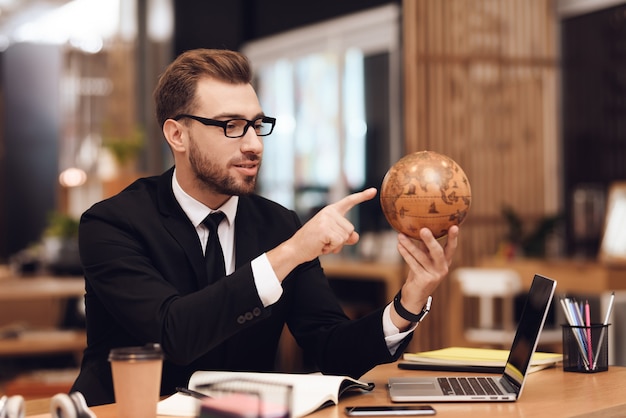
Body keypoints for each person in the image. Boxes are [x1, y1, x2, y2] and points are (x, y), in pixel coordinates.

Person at [70, 48, 459, 406]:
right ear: (177, 134)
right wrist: (291, 252)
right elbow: (173, 334)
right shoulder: (112, 223)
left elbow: (331, 348)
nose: (254, 144)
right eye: (232, 126)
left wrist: (409, 301)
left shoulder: (277, 223)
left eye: (257, 125)